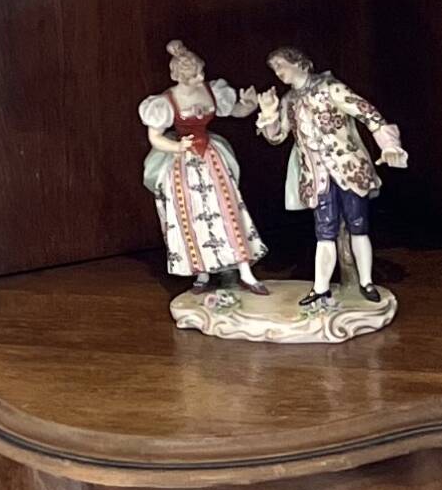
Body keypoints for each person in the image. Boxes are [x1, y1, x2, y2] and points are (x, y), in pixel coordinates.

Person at [252, 46, 407, 306]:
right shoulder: (290, 100)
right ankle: (321, 286)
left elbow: (368, 113)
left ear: (299, 63)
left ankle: (366, 281)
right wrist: (268, 114)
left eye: (281, 65)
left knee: (358, 227)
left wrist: (389, 145)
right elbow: (277, 136)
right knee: (324, 232)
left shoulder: (330, 88)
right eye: (275, 69)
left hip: (349, 169)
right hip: (317, 177)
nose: (278, 73)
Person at [142, 44, 266, 294]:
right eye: (195, 76)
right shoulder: (166, 102)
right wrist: (177, 147)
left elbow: (234, 111)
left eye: (201, 73)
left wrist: (249, 106)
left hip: (211, 158)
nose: (201, 78)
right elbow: (155, 137)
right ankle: (201, 271)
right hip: (183, 163)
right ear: (181, 77)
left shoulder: (211, 91)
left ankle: (245, 270)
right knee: (190, 212)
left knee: (227, 208)